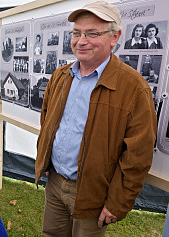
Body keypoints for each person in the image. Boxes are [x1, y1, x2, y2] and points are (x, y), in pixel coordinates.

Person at [35, 1, 157, 236]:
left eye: (92, 33)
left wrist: (117, 201)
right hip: (56, 181)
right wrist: (47, 159)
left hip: (94, 192)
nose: (81, 41)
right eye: (77, 33)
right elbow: (47, 120)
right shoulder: (61, 76)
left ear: (114, 37)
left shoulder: (134, 88)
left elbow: (138, 154)